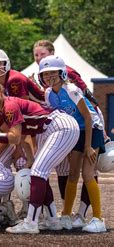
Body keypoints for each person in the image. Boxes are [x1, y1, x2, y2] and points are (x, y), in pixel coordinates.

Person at [0, 79, 80, 234]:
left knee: (38, 173)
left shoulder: (9, 106)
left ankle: (31, 223)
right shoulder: (5, 106)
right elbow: (24, 135)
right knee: (38, 173)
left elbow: (15, 138)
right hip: (52, 128)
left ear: (1, 91)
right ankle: (52, 220)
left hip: (59, 127)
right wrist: (30, 158)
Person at [40, 56, 106, 232]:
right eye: (45, 74)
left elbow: (88, 117)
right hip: (75, 131)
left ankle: (99, 219)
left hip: (93, 129)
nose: (49, 76)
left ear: (61, 72)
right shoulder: (48, 94)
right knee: (72, 174)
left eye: (52, 72)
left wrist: (88, 146)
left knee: (88, 174)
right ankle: (67, 215)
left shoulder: (71, 89)